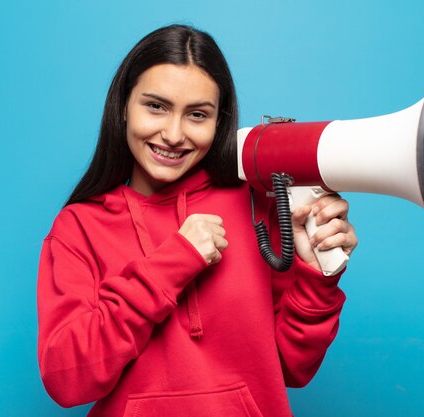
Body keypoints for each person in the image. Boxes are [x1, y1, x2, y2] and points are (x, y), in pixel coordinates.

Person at [37, 24, 358, 417]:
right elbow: (67, 381)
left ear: (219, 122)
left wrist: (314, 274)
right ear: (123, 106)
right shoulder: (79, 227)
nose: (173, 134)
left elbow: (293, 367)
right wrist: (172, 263)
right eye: (155, 106)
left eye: (197, 114)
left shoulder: (258, 206)